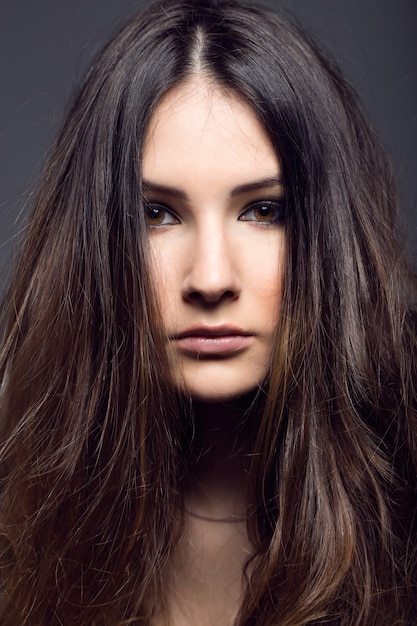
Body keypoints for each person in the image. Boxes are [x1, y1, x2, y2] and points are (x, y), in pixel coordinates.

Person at [0, 0, 416, 623]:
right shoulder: (19, 529)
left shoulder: (402, 524)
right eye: (157, 214)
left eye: (264, 211)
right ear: (94, 245)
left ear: (329, 234)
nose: (212, 279)